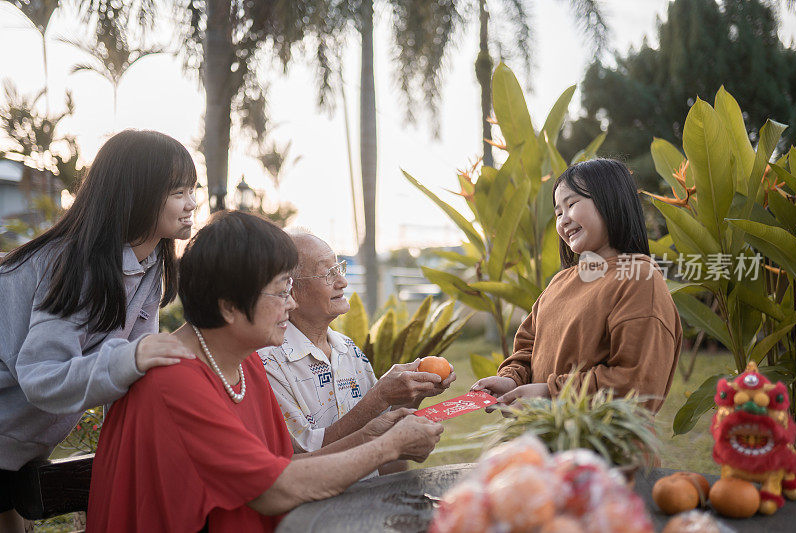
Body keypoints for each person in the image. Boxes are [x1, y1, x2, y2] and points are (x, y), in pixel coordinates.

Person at [87, 211, 443, 533]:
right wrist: (387, 446)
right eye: (280, 291)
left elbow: (286, 465)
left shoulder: (247, 363)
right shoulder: (173, 379)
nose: (291, 303)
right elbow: (275, 489)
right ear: (228, 306)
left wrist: (373, 434)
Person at [0, 130, 198, 531]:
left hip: (19, 442)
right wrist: (131, 358)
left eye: (194, 189)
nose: (192, 204)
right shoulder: (79, 266)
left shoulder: (150, 263)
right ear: (136, 195)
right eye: (179, 192)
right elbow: (42, 374)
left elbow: (136, 374)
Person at [471, 158, 682, 413]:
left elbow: (638, 382)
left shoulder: (639, 278)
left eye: (572, 204)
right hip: (545, 445)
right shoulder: (560, 282)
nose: (563, 220)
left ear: (611, 201)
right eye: (558, 212)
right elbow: (528, 346)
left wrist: (551, 393)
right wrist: (511, 380)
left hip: (603, 449)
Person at [259, 231, 455, 457]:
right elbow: (303, 454)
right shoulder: (268, 363)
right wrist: (379, 396)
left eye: (339, 269)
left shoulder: (347, 348)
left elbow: (382, 437)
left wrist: (413, 395)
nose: (342, 282)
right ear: (290, 289)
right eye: (328, 274)